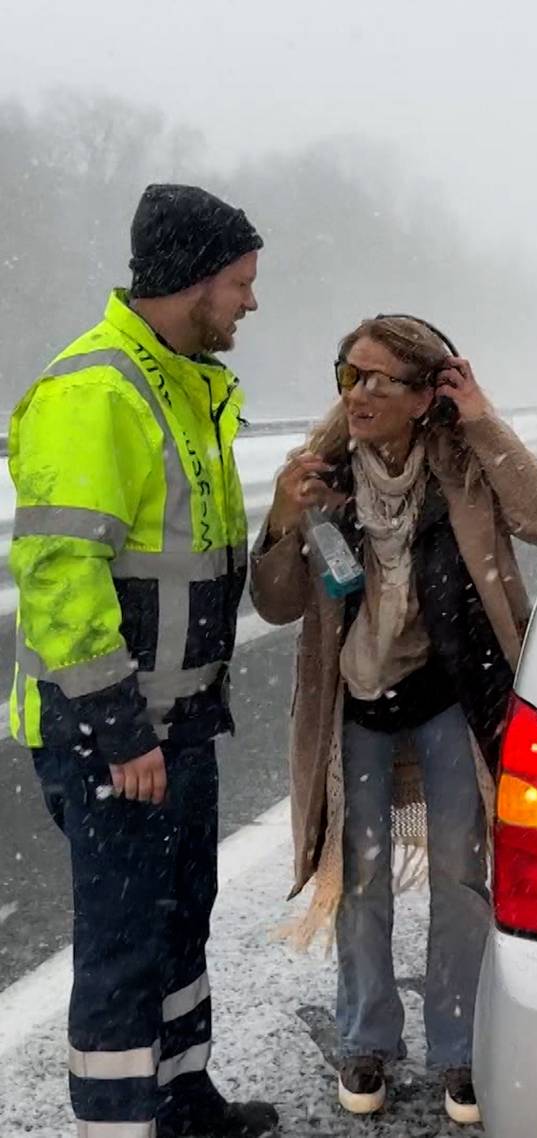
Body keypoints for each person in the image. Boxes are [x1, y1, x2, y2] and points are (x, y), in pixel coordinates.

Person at [250, 315, 537, 1125]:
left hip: (450, 695)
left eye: (378, 380)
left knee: (462, 875)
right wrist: (286, 518)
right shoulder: (323, 475)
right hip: (355, 701)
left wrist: (483, 418)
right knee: (360, 875)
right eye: (348, 375)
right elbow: (277, 604)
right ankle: (368, 1039)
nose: (357, 394)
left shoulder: (462, 463)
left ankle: (461, 1048)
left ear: (427, 395)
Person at [8, 184, 278, 1138]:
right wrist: (123, 731)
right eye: (241, 282)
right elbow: (60, 578)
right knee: (124, 950)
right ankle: (121, 1122)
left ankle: (182, 1103)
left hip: (180, 724)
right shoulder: (97, 392)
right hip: (114, 734)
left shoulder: (183, 383)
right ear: (196, 281)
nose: (251, 302)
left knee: (179, 922)